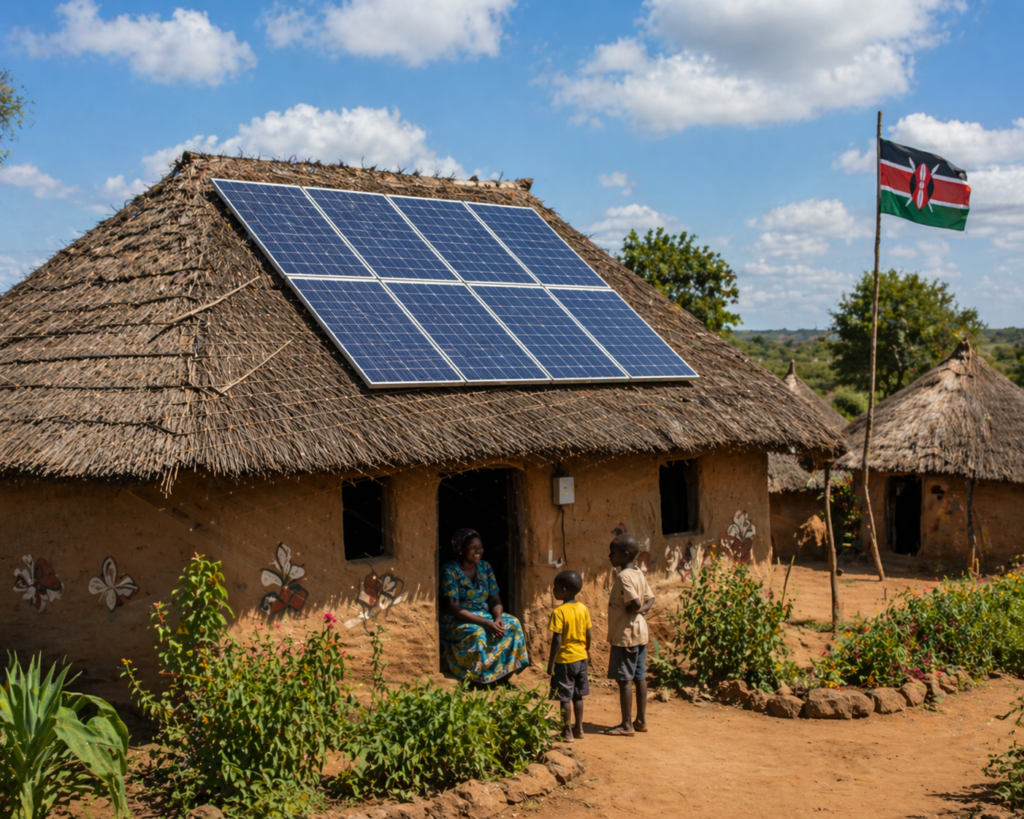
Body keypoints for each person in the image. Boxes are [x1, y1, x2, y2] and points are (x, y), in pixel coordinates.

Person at [440, 528, 529, 685]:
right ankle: (478, 677)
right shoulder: (450, 570)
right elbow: (454, 608)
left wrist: (498, 617)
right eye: (472, 547)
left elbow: (495, 600)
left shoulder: (485, 567)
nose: (478, 551)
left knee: (513, 623)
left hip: (485, 615)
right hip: (457, 619)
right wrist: (486, 624)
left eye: (480, 546)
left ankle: (503, 673)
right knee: (479, 633)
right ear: (460, 549)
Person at [604, 533, 655, 736]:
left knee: (625, 680)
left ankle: (626, 725)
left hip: (625, 635)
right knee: (639, 677)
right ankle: (640, 720)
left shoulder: (623, 576)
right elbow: (650, 599)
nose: (609, 556)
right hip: (640, 633)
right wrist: (641, 611)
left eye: (612, 553)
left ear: (624, 555)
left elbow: (633, 603)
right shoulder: (638, 573)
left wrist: (635, 609)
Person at [546, 569, 592, 742]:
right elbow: (589, 634)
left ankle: (567, 732)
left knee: (564, 697)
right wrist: (587, 651)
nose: (552, 589)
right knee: (578, 695)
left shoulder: (559, 612)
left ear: (563, 591)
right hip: (581, 659)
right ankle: (579, 728)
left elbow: (557, 640)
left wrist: (551, 664)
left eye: (554, 587)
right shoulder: (583, 609)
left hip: (564, 661)